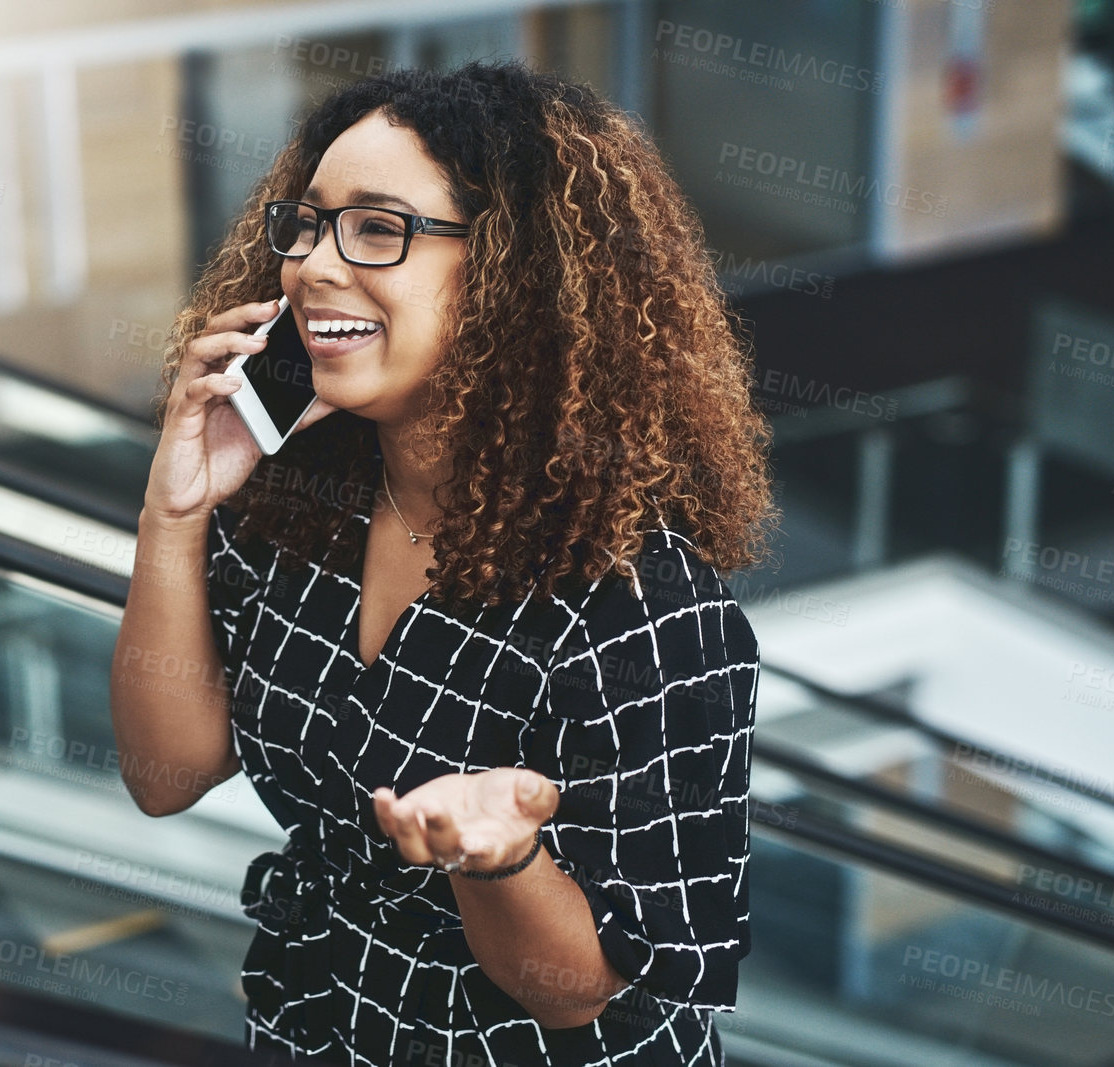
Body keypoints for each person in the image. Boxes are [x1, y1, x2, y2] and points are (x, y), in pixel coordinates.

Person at [111, 58, 777, 1067]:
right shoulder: (302, 506)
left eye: (378, 229)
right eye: (307, 222)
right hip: (321, 1020)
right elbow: (165, 774)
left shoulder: (642, 606)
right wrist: (176, 509)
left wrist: (497, 857)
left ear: (518, 274)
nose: (310, 267)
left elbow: (575, 992)